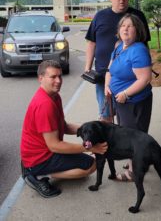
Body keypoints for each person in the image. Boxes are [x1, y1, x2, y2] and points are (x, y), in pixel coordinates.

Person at [20, 60, 108, 198]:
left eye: (60, 76)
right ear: (40, 78)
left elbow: (64, 126)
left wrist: (91, 128)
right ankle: (38, 174)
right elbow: (55, 146)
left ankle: (35, 169)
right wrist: (89, 148)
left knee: (83, 166)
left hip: (39, 152)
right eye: (53, 77)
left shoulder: (54, 96)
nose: (58, 80)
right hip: (40, 157)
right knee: (91, 166)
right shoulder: (44, 105)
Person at [85, 0, 151, 122]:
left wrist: (145, 68)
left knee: (126, 119)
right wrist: (87, 68)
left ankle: (123, 142)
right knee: (106, 116)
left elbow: (145, 44)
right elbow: (92, 42)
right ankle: (109, 144)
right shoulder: (100, 16)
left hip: (130, 79)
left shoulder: (138, 16)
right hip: (104, 76)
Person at [105, 13, 153, 181]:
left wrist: (125, 93)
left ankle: (133, 172)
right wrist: (107, 85)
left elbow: (145, 79)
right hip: (121, 102)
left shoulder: (138, 50)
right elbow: (110, 70)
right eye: (123, 25)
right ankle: (137, 161)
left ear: (137, 30)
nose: (125, 28)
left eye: (129, 26)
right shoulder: (120, 47)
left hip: (134, 102)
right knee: (127, 133)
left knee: (134, 137)